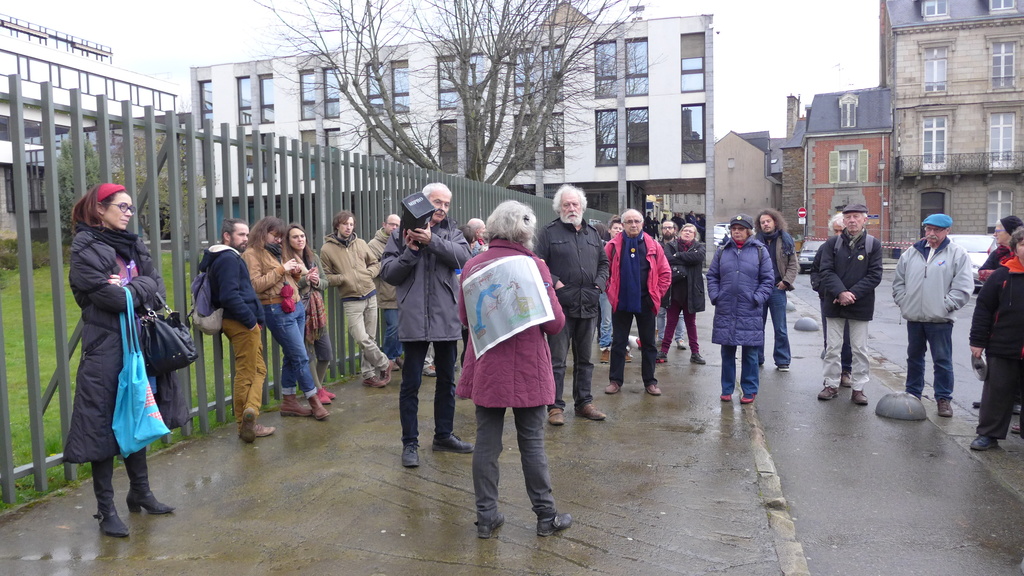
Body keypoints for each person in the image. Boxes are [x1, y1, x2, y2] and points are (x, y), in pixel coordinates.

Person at [455, 200, 572, 539]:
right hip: (527, 368)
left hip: (488, 365)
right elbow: (554, 324)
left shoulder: (473, 265)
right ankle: (545, 517)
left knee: (487, 444)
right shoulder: (533, 266)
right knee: (532, 443)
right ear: (524, 231)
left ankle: (486, 517)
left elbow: (465, 319)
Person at [67, 183, 177, 537]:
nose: (129, 213)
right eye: (123, 207)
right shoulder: (84, 247)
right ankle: (106, 510)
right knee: (102, 425)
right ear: (100, 209)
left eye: (131, 208)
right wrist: (133, 290)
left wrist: (129, 288)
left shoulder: (132, 244)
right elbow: (109, 300)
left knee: (137, 414)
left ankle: (141, 493)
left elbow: (156, 287)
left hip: (137, 343)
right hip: (104, 348)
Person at [381, 182, 474, 468]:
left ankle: (443, 436)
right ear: (423, 202)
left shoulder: (454, 233)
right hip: (413, 317)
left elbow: (465, 260)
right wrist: (411, 250)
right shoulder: (399, 236)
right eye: (437, 202)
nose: (442, 208)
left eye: (446, 203)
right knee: (411, 384)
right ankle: (410, 443)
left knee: (447, 382)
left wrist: (432, 241)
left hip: (446, 317)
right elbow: (389, 275)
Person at [534, 184, 609, 425]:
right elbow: (538, 263)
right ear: (559, 207)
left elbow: (604, 263)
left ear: (582, 206)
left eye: (575, 204)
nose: (571, 208)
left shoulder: (593, 234)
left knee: (585, 359)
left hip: (588, 304)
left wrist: (598, 285)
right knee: (557, 360)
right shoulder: (548, 232)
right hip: (560, 306)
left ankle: (584, 403)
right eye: (566, 204)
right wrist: (556, 284)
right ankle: (555, 406)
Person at [243, 217, 330, 420]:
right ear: (263, 232)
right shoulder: (251, 254)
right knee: (301, 357)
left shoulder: (276, 251)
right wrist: (282, 269)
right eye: (276, 236)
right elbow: (254, 285)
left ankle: (289, 401)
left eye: (281, 237)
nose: (280, 240)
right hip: (275, 309)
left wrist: (296, 274)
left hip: (295, 306)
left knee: (292, 355)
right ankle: (313, 401)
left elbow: (286, 280)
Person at [199, 218, 275, 443]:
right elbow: (229, 295)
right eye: (241, 235)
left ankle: (249, 414)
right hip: (241, 324)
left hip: (241, 322)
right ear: (227, 236)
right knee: (247, 371)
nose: (246, 239)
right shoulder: (228, 259)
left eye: (247, 234)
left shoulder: (224, 258)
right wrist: (251, 321)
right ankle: (246, 421)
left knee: (258, 370)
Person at [891, 214, 974, 417]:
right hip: (915, 317)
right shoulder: (912, 252)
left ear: (947, 231)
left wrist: (947, 305)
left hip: (940, 318)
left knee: (942, 360)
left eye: (936, 230)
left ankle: (943, 399)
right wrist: (904, 301)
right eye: (928, 229)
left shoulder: (957, 254)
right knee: (914, 358)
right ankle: (913, 395)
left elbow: (963, 286)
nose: (931, 234)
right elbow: (898, 281)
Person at [816, 204, 883, 405]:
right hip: (834, 303)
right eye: (848, 217)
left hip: (860, 304)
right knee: (833, 348)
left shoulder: (873, 245)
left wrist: (851, 294)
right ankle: (831, 384)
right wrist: (840, 292)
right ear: (843, 221)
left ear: (865, 220)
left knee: (859, 349)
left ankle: (859, 388)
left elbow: (875, 275)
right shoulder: (832, 244)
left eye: (856, 217)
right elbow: (825, 270)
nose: (852, 220)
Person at [707, 214, 774, 404]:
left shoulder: (760, 251)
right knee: (727, 352)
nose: (736, 232)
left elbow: (768, 280)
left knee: (751, 354)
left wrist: (758, 298)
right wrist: (715, 296)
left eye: (740, 228)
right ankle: (727, 389)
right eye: (734, 228)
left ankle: (749, 389)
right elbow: (712, 276)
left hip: (750, 309)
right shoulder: (722, 251)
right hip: (726, 308)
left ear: (748, 231)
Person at [604, 209, 672, 396]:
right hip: (621, 301)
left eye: (636, 221)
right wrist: (611, 292)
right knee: (618, 342)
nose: (633, 225)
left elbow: (665, 273)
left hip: (646, 302)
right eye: (629, 221)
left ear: (642, 223)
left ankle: (650, 382)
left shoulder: (653, 245)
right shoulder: (613, 245)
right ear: (623, 224)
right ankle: (615, 381)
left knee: (649, 344)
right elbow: (604, 272)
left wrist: (655, 295)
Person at [320, 210, 392, 388]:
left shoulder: (360, 243)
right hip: (351, 299)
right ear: (338, 225)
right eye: (345, 224)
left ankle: (368, 374)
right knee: (361, 338)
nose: (349, 227)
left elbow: (375, 263)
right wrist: (343, 278)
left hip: (370, 294)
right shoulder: (326, 249)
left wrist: (369, 274)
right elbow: (326, 276)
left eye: (351, 224)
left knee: (371, 338)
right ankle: (385, 363)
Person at [969, 227, 1024, 450]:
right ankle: (989, 435)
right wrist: (977, 341)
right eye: (1022, 244)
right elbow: (983, 309)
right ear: (1015, 248)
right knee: (997, 393)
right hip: (1002, 345)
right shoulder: (1002, 275)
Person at [284, 223, 335, 404]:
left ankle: (318, 388)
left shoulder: (313, 257)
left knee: (326, 352)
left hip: (317, 310)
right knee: (308, 353)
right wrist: (306, 279)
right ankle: (317, 391)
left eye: (302, 236)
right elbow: (288, 285)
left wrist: (316, 281)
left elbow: (325, 282)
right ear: (288, 241)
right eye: (295, 237)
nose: (300, 240)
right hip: (301, 310)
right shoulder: (288, 260)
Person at [810, 214, 853, 387]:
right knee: (831, 340)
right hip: (828, 299)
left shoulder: (855, 248)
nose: (838, 234)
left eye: (841, 230)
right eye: (835, 230)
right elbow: (816, 271)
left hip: (851, 300)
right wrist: (821, 290)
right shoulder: (826, 248)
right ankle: (831, 376)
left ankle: (846, 371)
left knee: (848, 339)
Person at [755, 209, 798, 371]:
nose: (765, 224)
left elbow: (793, 264)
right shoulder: (754, 241)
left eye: (768, 221)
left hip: (777, 289)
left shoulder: (786, 240)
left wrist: (786, 282)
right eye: (762, 222)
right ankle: (757, 358)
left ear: (775, 222)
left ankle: (782, 360)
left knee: (780, 328)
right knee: (758, 326)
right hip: (759, 290)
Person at [659, 223, 707, 365]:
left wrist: (679, 256)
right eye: (685, 230)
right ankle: (663, 351)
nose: (687, 233)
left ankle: (695, 353)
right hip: (674, 292)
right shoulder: (670, 246)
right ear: (680, 232)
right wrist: (687, 260)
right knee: (671, 322)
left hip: (691, 293)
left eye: (691, 231)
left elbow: (698, 258)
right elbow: (668, 259)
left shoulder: (699, 247)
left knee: (691, 323)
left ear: (695, 235)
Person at [367, 214, 403, 371]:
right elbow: (375, 267)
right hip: (387, 292)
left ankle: (396, 356)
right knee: (393, 327)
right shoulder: (374, 245)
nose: (394, 228)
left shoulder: (402, 240)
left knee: (403, 328)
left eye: (397, 225)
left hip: (403, 292)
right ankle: (387, 358)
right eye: (392, 224)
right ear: (384, 224)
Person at [655, 220, 687, 352]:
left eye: (670, 227)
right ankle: (661, 338)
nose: (667, 230)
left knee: (679, 314)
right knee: (661, 312)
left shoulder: (680, 245)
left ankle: (679, 338)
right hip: (661, 282)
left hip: (677, 282)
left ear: (675, 229)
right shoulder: (657, 245)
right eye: (664, 228)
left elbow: (685, 259)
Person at [598, 217, 625, 364]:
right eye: (616, 228)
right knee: (606, 320)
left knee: (621, 321)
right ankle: (605, 348)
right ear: (609, 230)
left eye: (621, 229)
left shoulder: (626, 246)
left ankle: (622, 348)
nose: (618, 231)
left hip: (622, 288)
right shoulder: (603, 246)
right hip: (607, 288)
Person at [978, 215, 1022, 284]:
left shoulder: (1020, 252)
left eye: (997, 231)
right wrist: (1002, 273)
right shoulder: (998, 252)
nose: (994, 234)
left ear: (1009, 232)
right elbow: (981, 273)